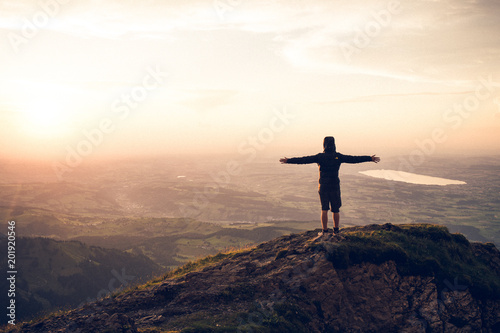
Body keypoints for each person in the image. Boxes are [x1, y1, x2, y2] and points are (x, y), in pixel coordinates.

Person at [280, 136, 380, 235]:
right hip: (334, 185)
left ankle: (325, 231)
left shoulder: (319, 156)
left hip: (323, 185)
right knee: (335, 209)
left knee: (324, 208)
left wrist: (288, 160)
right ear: (334, 144)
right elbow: (354, 159)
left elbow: (304, 160)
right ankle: (336, 231)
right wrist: (370, 158)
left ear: (324, 144)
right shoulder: (338, 156)